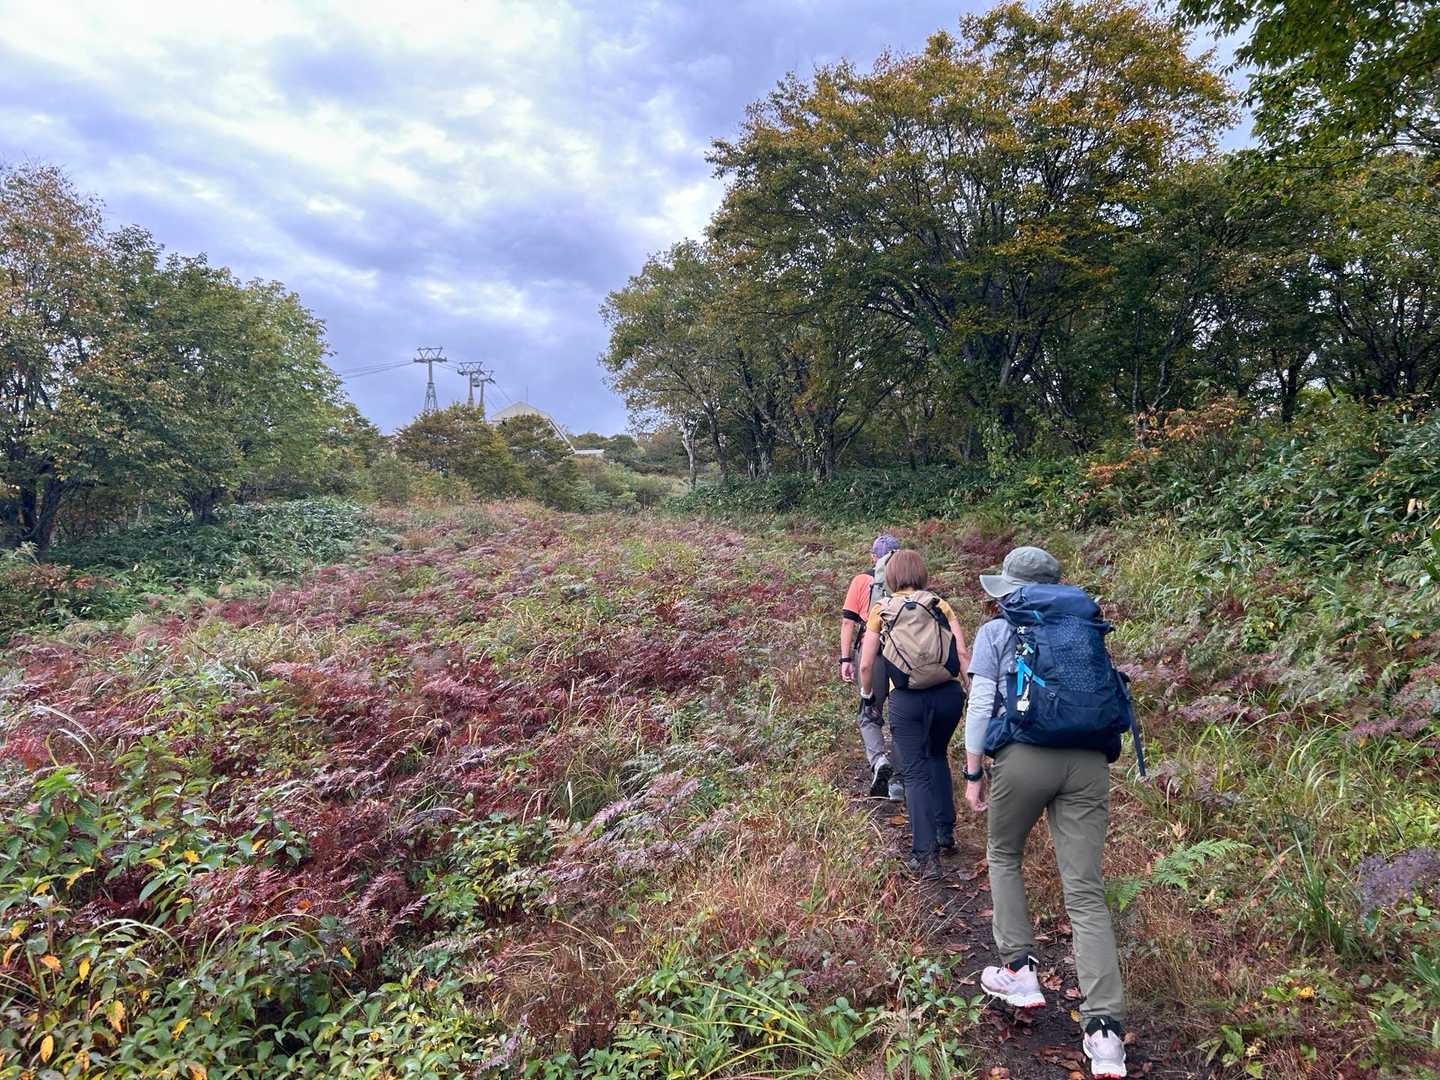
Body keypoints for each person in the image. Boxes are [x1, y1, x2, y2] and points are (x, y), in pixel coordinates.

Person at [962, 546, 1130, 1080]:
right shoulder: (1084, 629)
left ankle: (1019, 969)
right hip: (1089, 761)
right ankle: (1105, 1035)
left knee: (1003, 853)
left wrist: (973, 771)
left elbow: (980, 705)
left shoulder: (998, 630)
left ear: (1010, 589)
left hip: (1024, 756)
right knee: (1085, 891)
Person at [858, 549, 971, 880]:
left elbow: (866, 664)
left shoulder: (881, 609)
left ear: (890, 577)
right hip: (948, 695)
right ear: (922, 573)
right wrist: (971, 690)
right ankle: (945, 832)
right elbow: (962, 652)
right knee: (937, 755)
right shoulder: (939, 604)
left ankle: (925, 855)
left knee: (915, 772)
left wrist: (867, 696)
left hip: (907, 700)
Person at [840, 533, 904, 799]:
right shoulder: (908, 583)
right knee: (902, 715)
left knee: (869, 711)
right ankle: (898, 781)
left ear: (872, 557)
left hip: (871, 654)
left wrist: (845, 659)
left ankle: (878, 760)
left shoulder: (861, 580)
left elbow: (848, 622)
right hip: (903, 655)